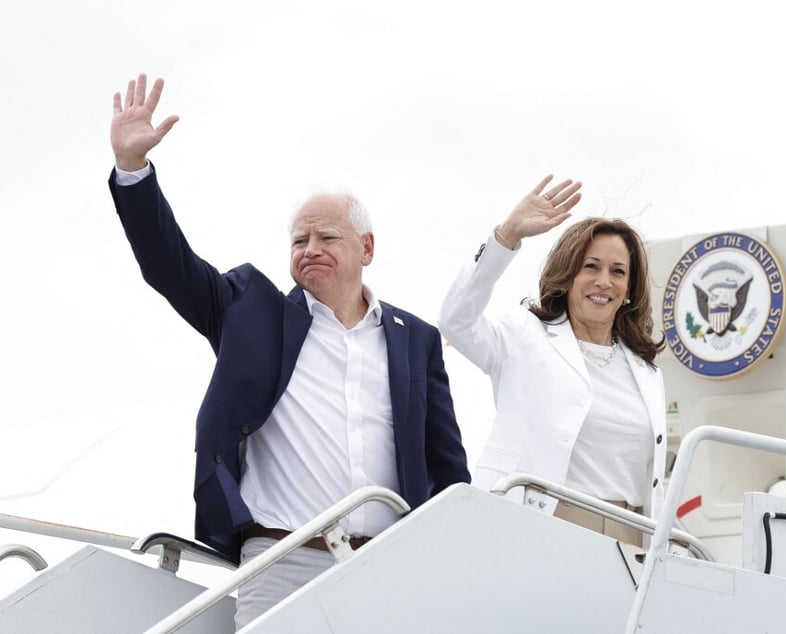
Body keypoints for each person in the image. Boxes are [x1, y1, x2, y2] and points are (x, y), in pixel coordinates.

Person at [108, 74, 470, 628]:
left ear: (366, 248)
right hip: (280, 561)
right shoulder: (251, 309)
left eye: (328, 237)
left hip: (390, 567)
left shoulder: (415, 339)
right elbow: (169, 266)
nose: (311, 250)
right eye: (300, 240)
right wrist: (133, 172)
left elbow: (446, 466)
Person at [439, 175, 667, 545]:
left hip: (631, 531)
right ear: (567, 275)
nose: (604, 281)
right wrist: (507, 235)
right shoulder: (523, 337)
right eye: (591, 266)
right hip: (545, 523)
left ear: (629, 288)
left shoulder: (646, 369)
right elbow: (456, 320)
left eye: (618, 271)